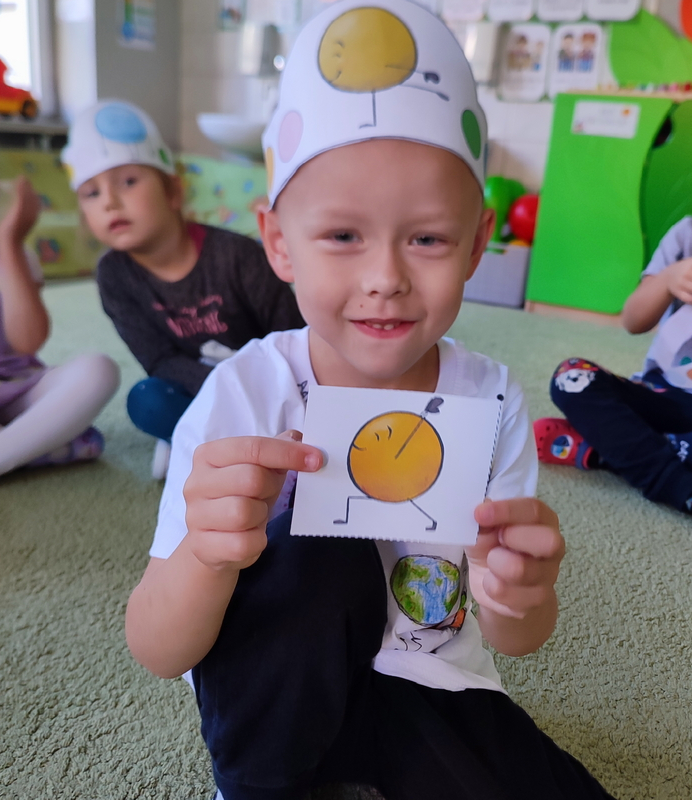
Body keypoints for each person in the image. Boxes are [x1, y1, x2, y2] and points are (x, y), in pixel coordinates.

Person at [125, 3, 616, 799]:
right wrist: (206, 555)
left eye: (427, 239)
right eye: (343, 236)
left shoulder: (488, 394)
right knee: (318, 551)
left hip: (424, 684)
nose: (385, 277)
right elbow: (157, 648)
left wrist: (520, 592)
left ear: (478, 242)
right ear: (278, 242)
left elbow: (516, 638)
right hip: (274, 687)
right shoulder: (245, 391)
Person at [536, 97, 692, 552]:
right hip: (664, 394)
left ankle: (609, 449)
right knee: (571, 378)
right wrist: (668, 281)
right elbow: (633, 320)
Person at [61, 100, 305, 478]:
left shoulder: (237, 256)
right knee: (146, 401)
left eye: (128, 182)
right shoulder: (113, 276)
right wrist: (221, 389)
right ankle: (219, 442)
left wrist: (253, 388)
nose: (109, 202)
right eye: (91, 193)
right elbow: (158, 360)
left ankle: (203, 444)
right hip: (200, 388)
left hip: (267, 383)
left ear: (173, 191)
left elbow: (292, 337)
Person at [0, 107, 119, 487]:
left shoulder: (6, 255)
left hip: (19, 392)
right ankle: (29, 448)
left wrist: (10, 242)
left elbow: (28, 340)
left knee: (99, 370)